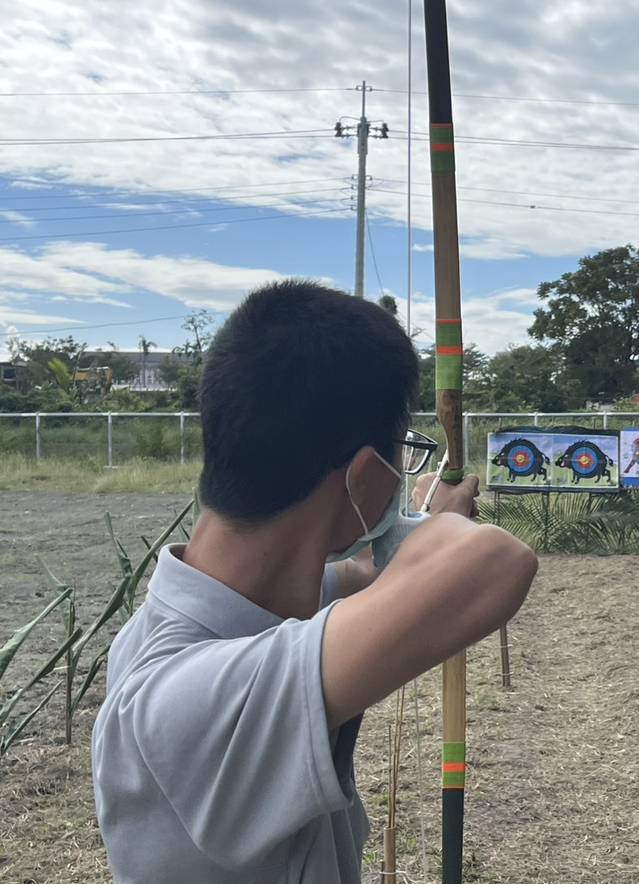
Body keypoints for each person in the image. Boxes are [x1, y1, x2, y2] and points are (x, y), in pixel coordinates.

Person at [91, 279, 537, 883]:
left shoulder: (206, 618)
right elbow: (494, 563)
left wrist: (425, 518)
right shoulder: (194, 700)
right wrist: (432, 529)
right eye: (403, 455)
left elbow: (368, 574)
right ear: (362, 477)